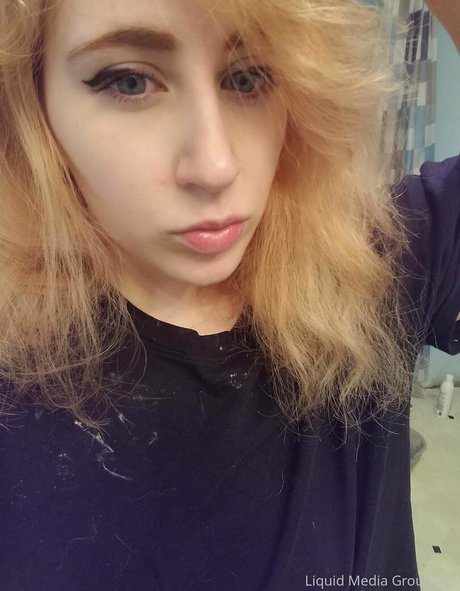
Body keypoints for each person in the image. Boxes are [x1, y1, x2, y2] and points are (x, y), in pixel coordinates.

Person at [0, 0, 458, 590]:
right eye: (129, 81)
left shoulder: (380, 261)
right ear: (30, 98)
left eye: (249, 78)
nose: (215, 167)